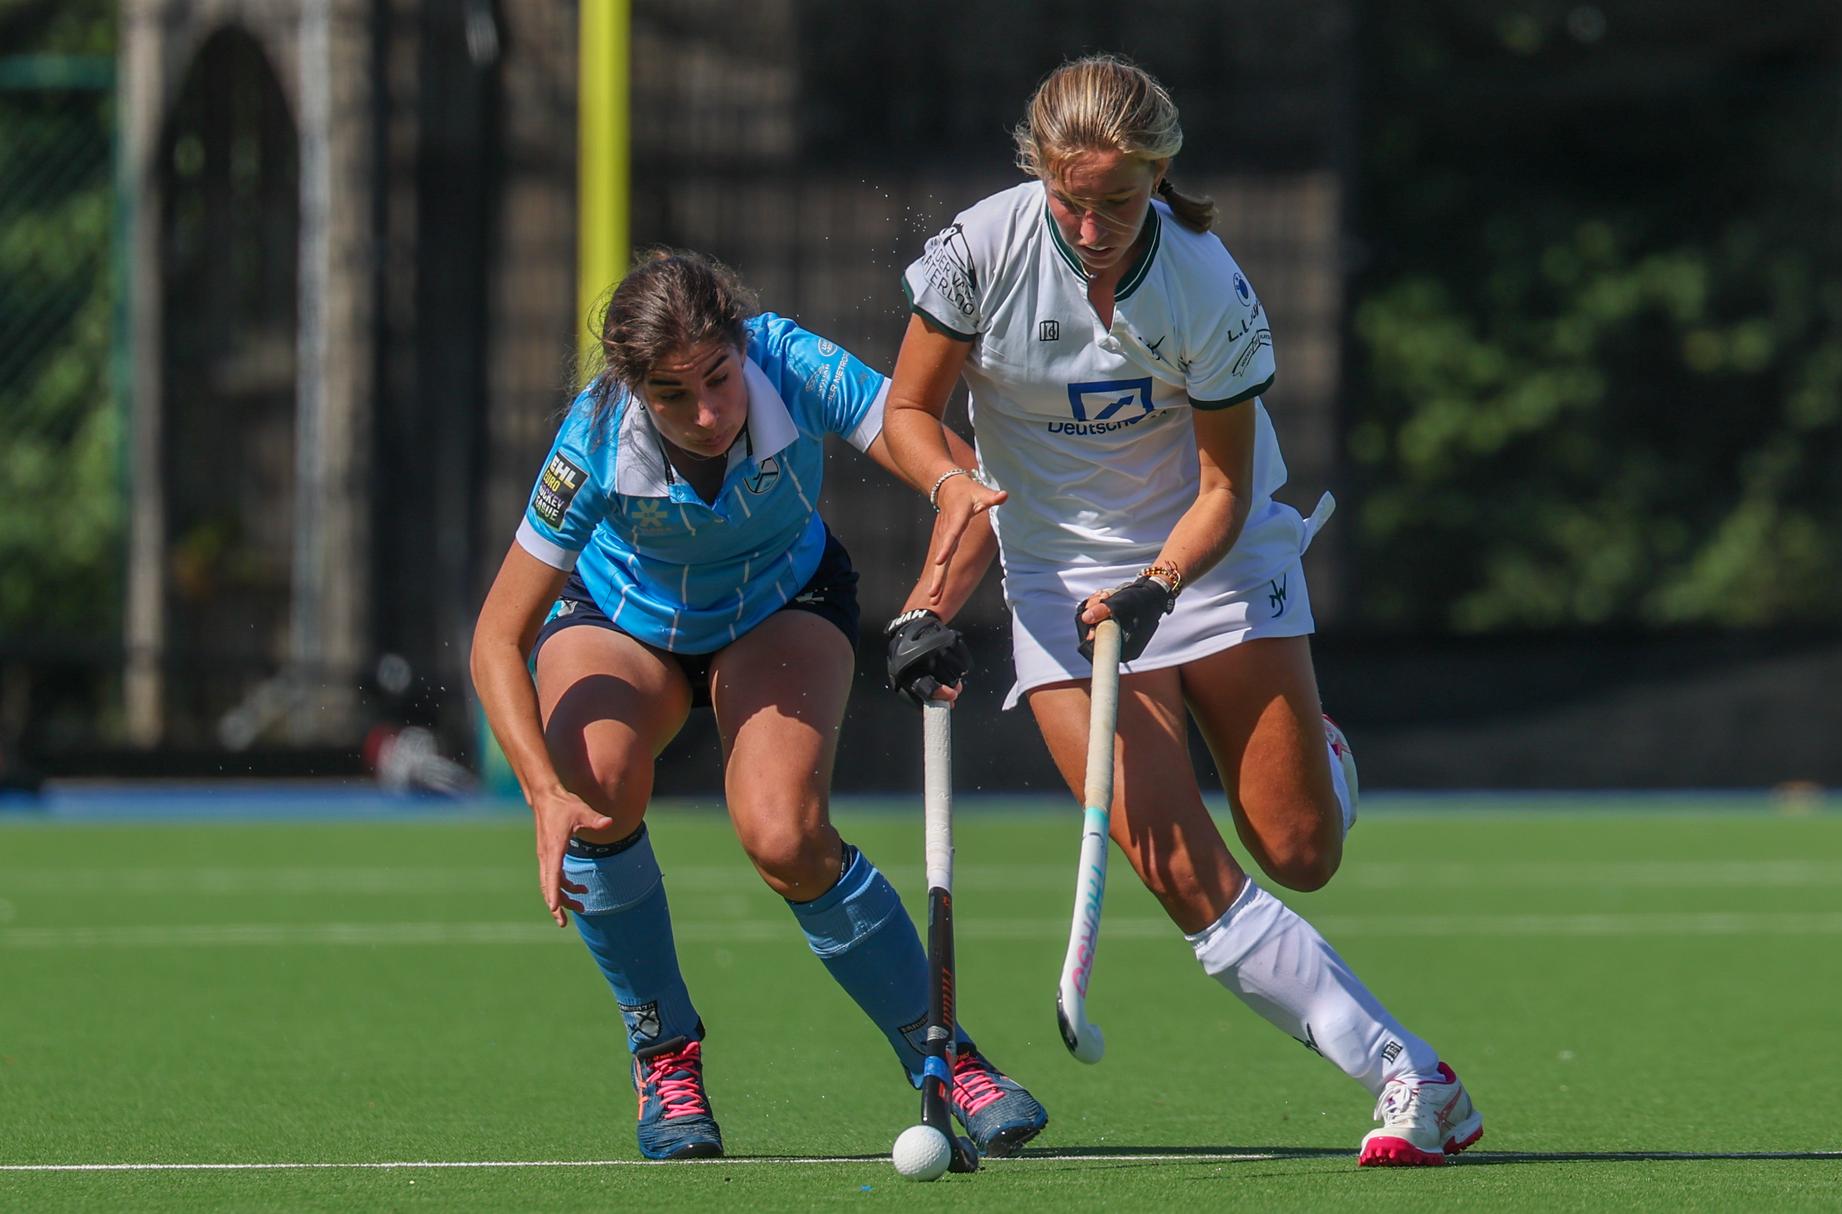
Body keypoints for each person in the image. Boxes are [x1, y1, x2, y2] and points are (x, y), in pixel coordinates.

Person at [880, 55, 1483, 1167]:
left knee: (1300, 849)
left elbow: (1223, 489)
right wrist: (953, 496)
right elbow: (908, 410)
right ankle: (1412, 1078)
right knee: (1175, 863)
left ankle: (1322, 758)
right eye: (1072, 200)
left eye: (1119, 201)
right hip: (1056, 582)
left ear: (1160, 174)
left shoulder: (1208, 284)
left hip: (1211, 557)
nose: (1093, 228)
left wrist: (1159, 584)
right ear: (1040, 173)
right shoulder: (979, 253)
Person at [469, 250, 1046, 1161]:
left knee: (784, 836)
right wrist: (543, 793)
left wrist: (926, 605)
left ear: (741, 346)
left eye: (717, 378)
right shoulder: (593, 440)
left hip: (780, 604)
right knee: (594, 785)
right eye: (671, 395)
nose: (706, 414)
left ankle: (946, 1060)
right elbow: (496, 639)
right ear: (632, 388)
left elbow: (964, 491)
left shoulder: (790, 362)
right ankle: (663, 1054)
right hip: (624, 621)